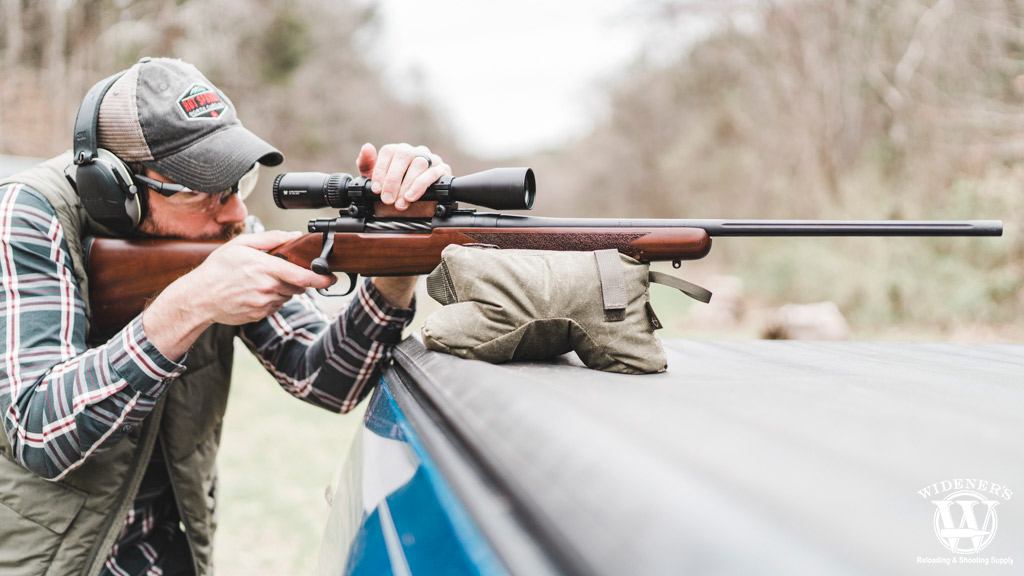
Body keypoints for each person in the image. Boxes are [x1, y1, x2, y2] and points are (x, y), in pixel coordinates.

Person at [0, 57, 449, 576]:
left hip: (172, 551)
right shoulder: (26, 216)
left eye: (238, 183)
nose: (236, 213)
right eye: (203, 191)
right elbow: (37, 433)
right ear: (115, 189)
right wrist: (188, 306)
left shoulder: (225, 232)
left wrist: (394, 259)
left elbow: (328, 381)